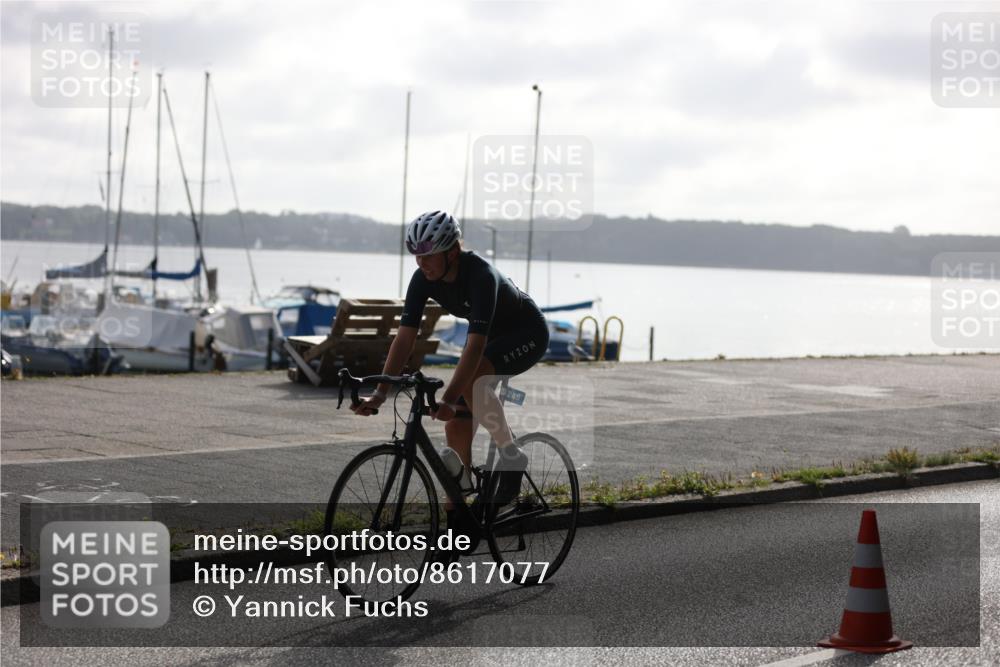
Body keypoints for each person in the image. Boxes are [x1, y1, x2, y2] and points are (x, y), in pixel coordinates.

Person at [350, 210, 549, 515]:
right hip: (490, 338)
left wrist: (449, 398)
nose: (421, 262)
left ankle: (512, 457)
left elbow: (475, 346)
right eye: (416, 255)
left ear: (453, 251)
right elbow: (404, 338)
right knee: (455, 428)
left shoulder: (481, 276)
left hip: (526, 333)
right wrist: (380, 393)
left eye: (428, 255)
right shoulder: (423, 279)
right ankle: (458, 516)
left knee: (471, 383)